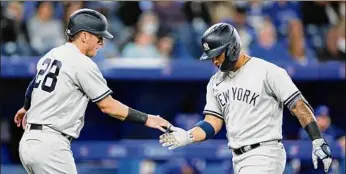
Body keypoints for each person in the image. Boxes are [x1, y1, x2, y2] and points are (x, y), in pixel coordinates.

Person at [13, 8, 171, 174]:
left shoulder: (52, 54)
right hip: (51, 145)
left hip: (28, 143)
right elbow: (108, 106)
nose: (102, 43)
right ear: (84, 36)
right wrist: (147, 119)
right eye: (99, 36)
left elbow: (33, 84)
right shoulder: (82, 62)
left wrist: (26, 107)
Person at [159, 23, 332, 174]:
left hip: (265, 153)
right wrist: (188, 136)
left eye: (218, 55)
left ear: (232, 47)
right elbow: (213, 122)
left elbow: (298, 105)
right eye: (211, 57)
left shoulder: (268, 71)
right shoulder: (215, 82)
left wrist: (317, 139)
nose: (215, 61)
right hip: (238, 157)